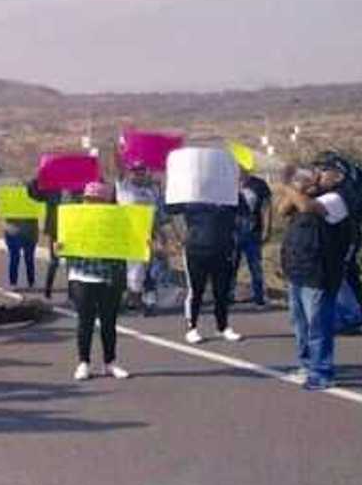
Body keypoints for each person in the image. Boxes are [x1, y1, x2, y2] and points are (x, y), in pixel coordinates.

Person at [277, 161, 352, 390]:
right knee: (300, 324)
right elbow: (282, 209)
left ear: (338, 177)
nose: (318, 174)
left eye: (324, 171)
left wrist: (286, 185)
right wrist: (295, 186)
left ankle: (322, 373)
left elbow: (308, 207)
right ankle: (307, 365)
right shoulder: (311, 194)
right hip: (299, 270)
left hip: (319, 273)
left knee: (317, 325)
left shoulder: (336, 199)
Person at [60, 182, 130, 381]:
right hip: (82, 275)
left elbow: (129, 244)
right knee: (85, 321)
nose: (92, 203)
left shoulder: (117, 221)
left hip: (109, 277)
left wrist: (142, 245)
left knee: (109, 322)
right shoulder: (75, 219)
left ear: (107, 202)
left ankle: (110, 362)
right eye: (89, 199)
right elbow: (64, 248)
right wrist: (60, 247)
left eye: (98, 199)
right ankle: (84, 363)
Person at [167, 200, 243, 345]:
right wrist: (179, 236)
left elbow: (243, 210)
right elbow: (170, 209)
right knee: (196, 290)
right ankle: (192, 327)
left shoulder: (227, 193)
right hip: (196, 250)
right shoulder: (192, 194)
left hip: (223, 249)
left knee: (222, 291)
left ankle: (222, 326)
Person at [116, 160, 162, 310]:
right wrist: (118, 149)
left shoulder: (152, 191)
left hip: (148, 234)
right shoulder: (125, 188)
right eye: (135, 171)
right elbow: (119, 168)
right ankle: (131, 297)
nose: (139, 174)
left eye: (142, 170)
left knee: (150, 268)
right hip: (129, 234)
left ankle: (144, 298)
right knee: (132, 267)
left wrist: (160, 236)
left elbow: (156, 215)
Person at [232, 168, 273, 307]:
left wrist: (267, 229)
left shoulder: (259, 184)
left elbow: (267, 207)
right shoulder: (227, 183)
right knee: (231, 265)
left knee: (255, 266)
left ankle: (259, 296)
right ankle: (228, 295)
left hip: (253, 231)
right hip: (232, 232)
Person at [27, 177, 65, 300]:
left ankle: (74, 294)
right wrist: (35, 180)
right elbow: (35, 195)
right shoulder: (52, 191)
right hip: (56, 232)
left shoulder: (75, 191)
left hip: (72, 232)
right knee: (54, 261)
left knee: (72, 262)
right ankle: (48, 289)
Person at [3, 213, 39, 291]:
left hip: (29, 230)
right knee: (15, 258)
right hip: (14, 228)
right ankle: (14, 282)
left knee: (29, 258)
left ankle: (31, 282)